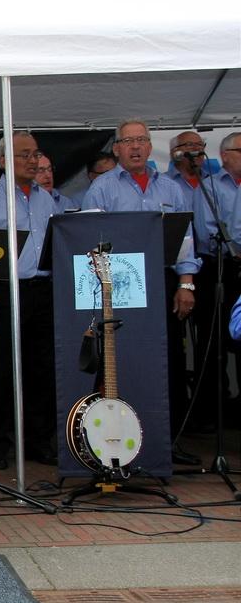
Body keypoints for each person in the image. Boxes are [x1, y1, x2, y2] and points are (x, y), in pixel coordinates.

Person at [81, 119, 200, 463]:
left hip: (163, 282)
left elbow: (186, 242)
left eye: (141, 140)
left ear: (150, 146)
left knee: (168, 360)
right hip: (121, 287)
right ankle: (118, 441)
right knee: (123, 361)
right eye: (128, 141)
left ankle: (166, 442)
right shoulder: (102, 188)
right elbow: (89, 243)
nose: (135, 147)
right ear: (117, 148)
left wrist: (186, 283)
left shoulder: (171, 189)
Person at [0, 132, 58, 469]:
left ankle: (38, 440)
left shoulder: (46, 199)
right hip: (4, 290)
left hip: (42, 289)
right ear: (4, 160)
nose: (33, 161)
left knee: (41, 368)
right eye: (25, 155)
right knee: (1, 371)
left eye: (36, 154)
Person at [176, 131, 241, 428]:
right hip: (220, 269)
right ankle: (213, 409)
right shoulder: (211, 186)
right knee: (214, 341)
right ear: (225, 155)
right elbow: (204, 233)